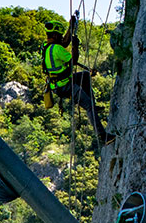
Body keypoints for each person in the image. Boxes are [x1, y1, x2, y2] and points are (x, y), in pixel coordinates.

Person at [42, 16, 114, 146]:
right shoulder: (57, 50)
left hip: (58, 84)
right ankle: (103, 136)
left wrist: (71, 27)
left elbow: (64, 42)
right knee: (88, 106)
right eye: (59, 35)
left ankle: (92, 102)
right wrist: (75, 46)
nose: (61, 38)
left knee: (85, 76)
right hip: (66, 86)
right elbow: (73, 60)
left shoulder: (46, 46)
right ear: (55, 35)